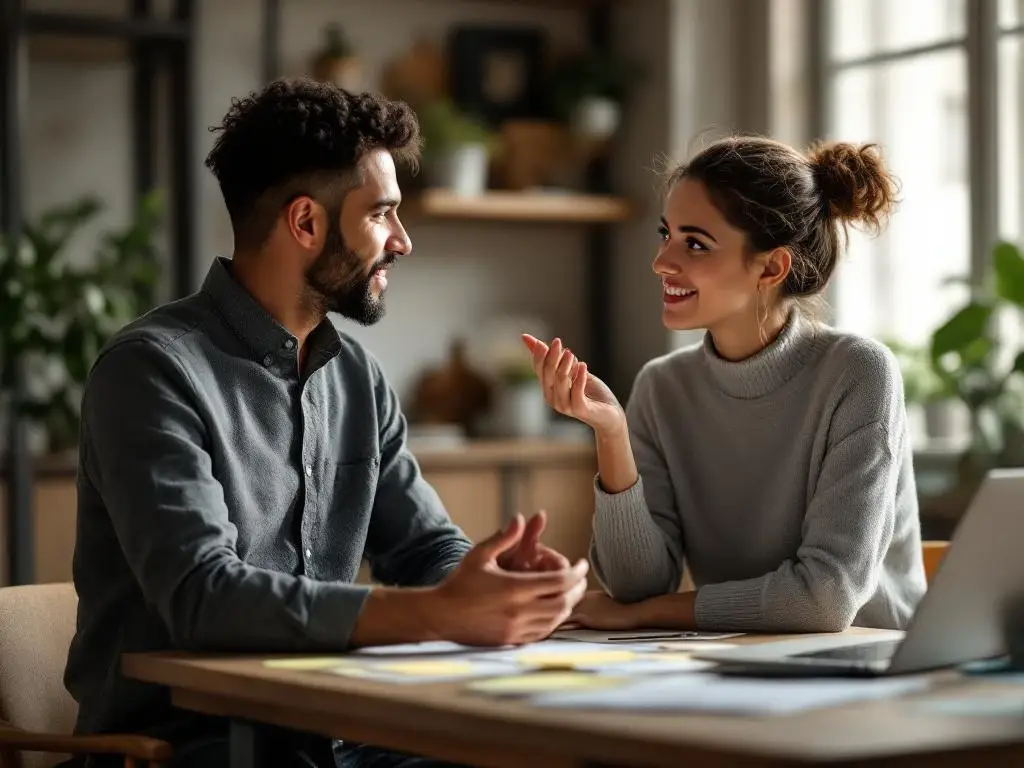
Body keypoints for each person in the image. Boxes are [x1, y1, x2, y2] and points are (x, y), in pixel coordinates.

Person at [64, 78, 588, 768]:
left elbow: (425, 550)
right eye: (382, 215)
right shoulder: (150, 371)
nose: (402, 241)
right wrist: (438, 613)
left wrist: (492, 581)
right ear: (305, 222)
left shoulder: (358, 381)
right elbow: (204, 598)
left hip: (341, 738)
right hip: (187, 748)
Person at [522, 136, 927, 635]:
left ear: (772, 266)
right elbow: (636, 584)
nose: (661, 262)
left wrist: (645, 616)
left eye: (695, 243)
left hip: (875, 669)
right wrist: (611, 434)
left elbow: (825, 600)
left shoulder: (859, 374)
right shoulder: (661, 387)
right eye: (665, 234)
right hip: (737, 666)